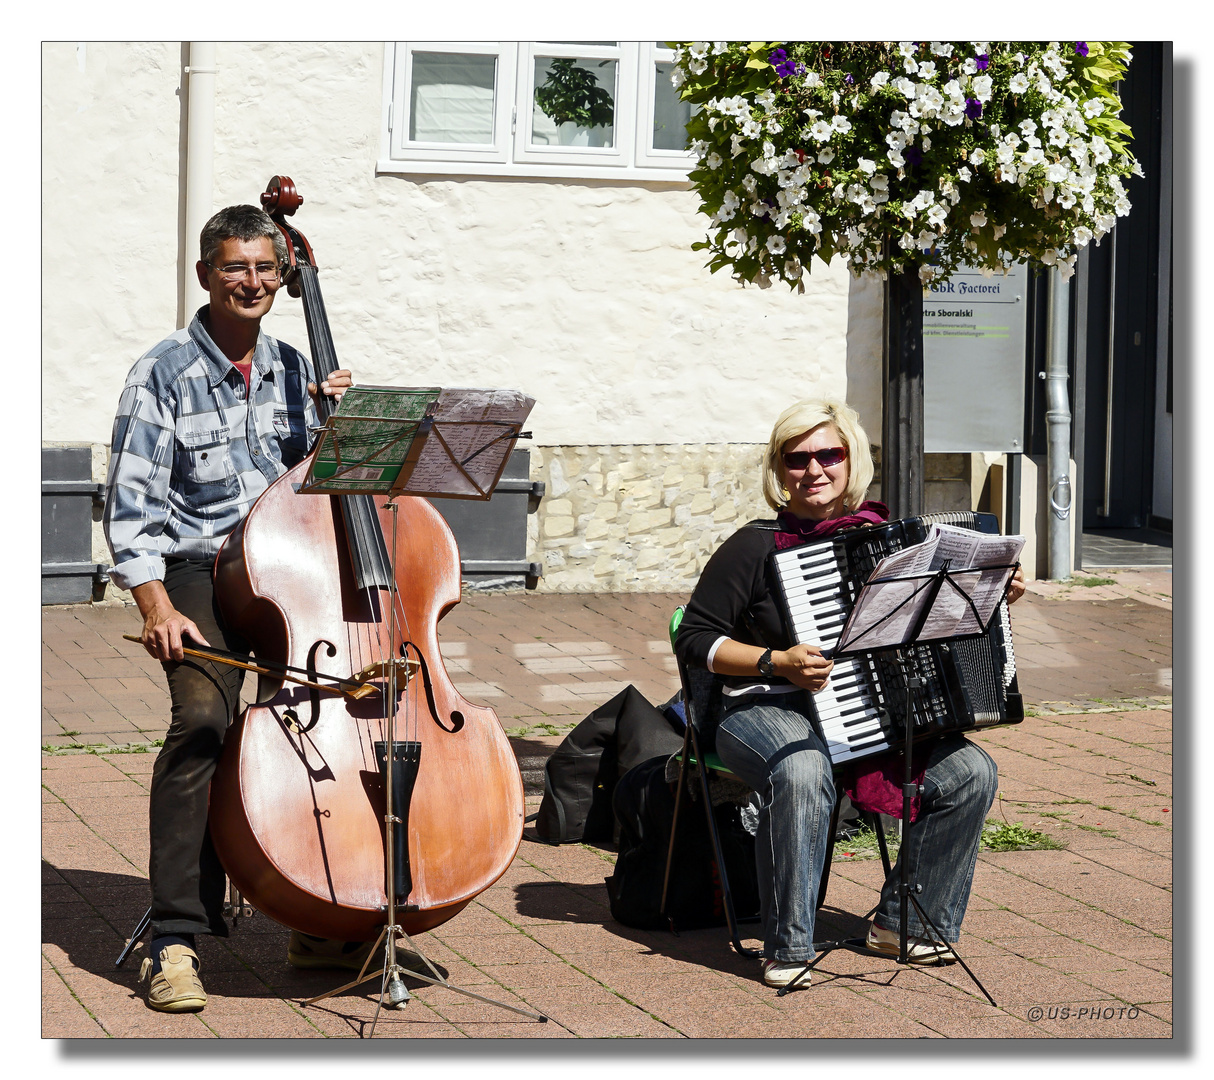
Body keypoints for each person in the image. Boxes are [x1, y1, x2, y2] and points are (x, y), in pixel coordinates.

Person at [674, 397, 1026, 988]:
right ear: (778, 469)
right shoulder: (755, 546)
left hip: (867, 714)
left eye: (828, 454)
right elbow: (695, 638)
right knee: (804, 767)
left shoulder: (887, 541)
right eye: (797, 458)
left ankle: (903, 924)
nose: (814, 469)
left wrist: (992, 592)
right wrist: (775, 661)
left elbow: (933, 630)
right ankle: (788, 945)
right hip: (759, 706)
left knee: (971, 773)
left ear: (850, 459)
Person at [103, 204, 357, 1012]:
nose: (252, 281)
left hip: (285, 567)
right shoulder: (164, 371)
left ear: (283, 278)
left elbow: (316, 487)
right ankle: (173, 936)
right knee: (206, 722)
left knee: (315, 726)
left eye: (267, 268)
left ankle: (308, 909)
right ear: (207, 273)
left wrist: (338, 426)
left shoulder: (291, 367)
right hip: (197, 570)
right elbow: (132, 505)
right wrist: (153, 606)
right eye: (235, 267)